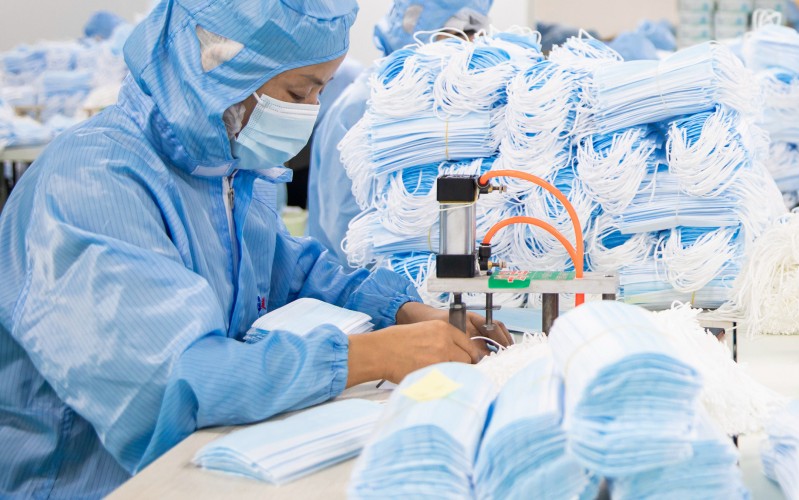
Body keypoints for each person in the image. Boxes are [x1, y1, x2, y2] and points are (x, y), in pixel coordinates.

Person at [0, 1, 510, 497]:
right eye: (297, 91)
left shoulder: (225, 171)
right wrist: (369, 355)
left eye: (321, 92)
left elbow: (289, 271)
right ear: (220, 65)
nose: (309, 112)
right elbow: (177, 381)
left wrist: (402, 311)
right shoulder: (91, 183)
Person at [307, 0, 493, 265]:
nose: (466, 47)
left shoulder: (444, 108)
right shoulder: (363, 103)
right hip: (357, 288)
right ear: (413, 26)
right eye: (456, 35)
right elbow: (344, 227)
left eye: (475, 35)